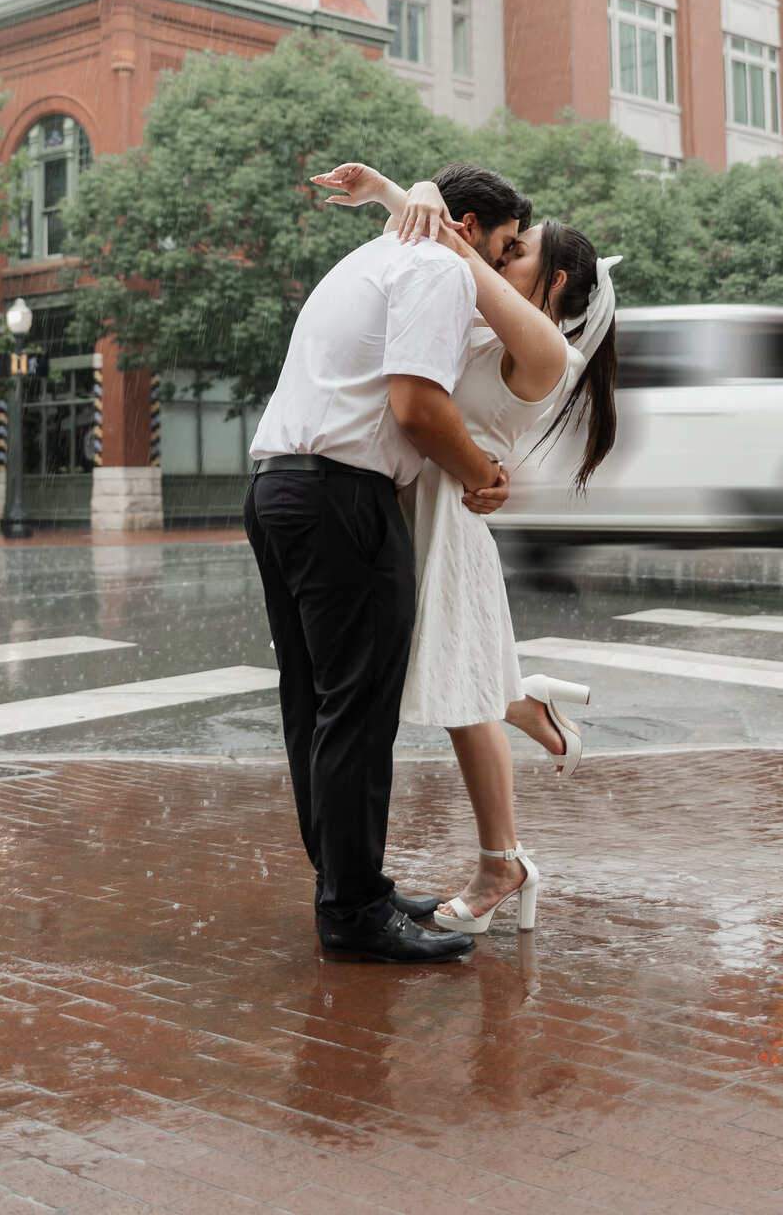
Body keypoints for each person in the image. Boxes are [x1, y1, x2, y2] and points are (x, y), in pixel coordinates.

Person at [312, 163, 619, 937]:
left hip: (448, 518)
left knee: (459, 697)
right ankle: (525, 701)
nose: (502, 252)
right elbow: (443, 254)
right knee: (437, 672)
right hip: (407, 500)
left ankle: (501, 862)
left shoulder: (548, 352)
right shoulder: (482, 311)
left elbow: (455, 250)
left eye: (520, 250)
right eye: (505, 242)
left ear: (552, 283)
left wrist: (410, 195)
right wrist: (398, 194)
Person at [244, 164, 532, 964]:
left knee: (314, 703)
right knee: (357, 713)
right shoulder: (439, 266)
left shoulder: (367, 260)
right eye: (505, 248)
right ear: (468, 225)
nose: (503, 270)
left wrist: (390, 190)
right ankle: (352, 912)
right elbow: (416, 405)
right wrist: (485, 475)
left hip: (278, 489)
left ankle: (349, 883)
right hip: (342, 500)